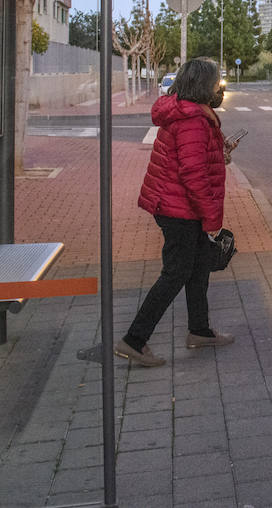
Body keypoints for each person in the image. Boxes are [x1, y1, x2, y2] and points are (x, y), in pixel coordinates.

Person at [114, 57, 234, 368]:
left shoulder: (186, 112)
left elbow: (195, 160)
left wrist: (219, 153)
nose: (218, 90)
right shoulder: (192, 120)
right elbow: (193, 175)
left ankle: (199, 331)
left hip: (177, 204)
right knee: (176, 273)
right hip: (179, 208)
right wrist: (212, 219)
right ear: (204, 86)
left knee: (198, 268)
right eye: (215, 84)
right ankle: (134, 340)